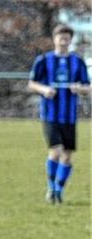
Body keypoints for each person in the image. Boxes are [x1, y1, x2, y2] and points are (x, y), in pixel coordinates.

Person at [27, 23, 90, 205]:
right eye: (60, 38)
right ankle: (51, 188)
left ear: (70, 41)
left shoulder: (77, 62)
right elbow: (32, 83)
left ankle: (59, 190)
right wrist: (44, 89)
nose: (63, 41)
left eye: (67, 38)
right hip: (50, 115)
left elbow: (88, 87)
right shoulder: (43, 60)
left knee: (67, 155)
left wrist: (80, 88)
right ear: (54, 39)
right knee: (56, 150)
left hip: (69, 116)